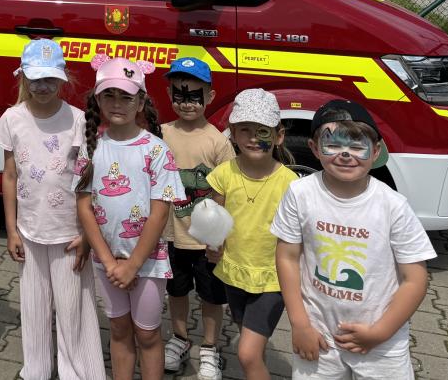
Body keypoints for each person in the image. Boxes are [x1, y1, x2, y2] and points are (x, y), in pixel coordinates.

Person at [272, 101, 435, 380]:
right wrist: (299, 324)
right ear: (314, 148)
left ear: (376, 151)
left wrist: (380, 332)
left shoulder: (393, 206)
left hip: (382, 343)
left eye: (357, 146)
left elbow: (415, 279)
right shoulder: (299, 193)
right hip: (318, 334)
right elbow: (287, 257)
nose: (345, 154)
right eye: (332, 144)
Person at [0, 40, 103, 380]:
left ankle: (79, 372)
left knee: (73, 308)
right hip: (29, 231)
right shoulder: (13, 118)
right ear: (24, 77)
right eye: (36, 79)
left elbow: (88, 180)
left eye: (50, 79)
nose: (42, 87)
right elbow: (10, 175)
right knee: (34, 305)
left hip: (69, 232)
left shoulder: (78, 120)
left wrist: (87, 234)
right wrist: (11, 229)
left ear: (63, 77)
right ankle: (36, 369)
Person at [75, 55, 184, 380]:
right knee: (119, 330)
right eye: (108, 95)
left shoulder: (156, 150)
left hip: (148, 263)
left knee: (148, 334)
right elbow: (84, 207)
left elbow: (159, 213)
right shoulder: (90, 148)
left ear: (141, 102)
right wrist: (110, 263)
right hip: (106, 263)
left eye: (126, 96)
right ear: (97, 100)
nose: (116, 103)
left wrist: (133, 265)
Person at [206, 89, 297, 380]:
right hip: (234, 272)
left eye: (263, 130)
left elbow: (298, 235)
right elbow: (216, 216)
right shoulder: (224, 173)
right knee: (252, 345)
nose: (254, 138)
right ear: (232, 134)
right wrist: (213, 243)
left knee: (246, 353)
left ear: (278, 136)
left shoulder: (291, 183)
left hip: (273, 278)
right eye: (245, 129)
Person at [160, 57, 234, 379]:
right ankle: (179, 338)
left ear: (210, 96)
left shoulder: (218, 141)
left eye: (194, 95)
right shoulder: (161, 134)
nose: (186, 102)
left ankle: (210, 347)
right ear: (169, 94)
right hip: (170, 235)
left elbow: (225, 191)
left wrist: (218, 239)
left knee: (211, 296)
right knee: (176, 291)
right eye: (179, 94)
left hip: (206, 242)